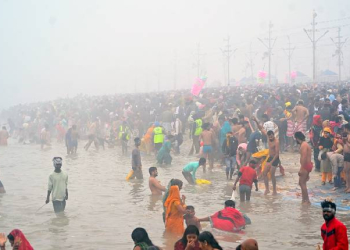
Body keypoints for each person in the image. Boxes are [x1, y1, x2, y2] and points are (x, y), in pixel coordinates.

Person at [252, 117, 279, 195]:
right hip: (270, 157)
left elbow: (277, 154)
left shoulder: (276, 142)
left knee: (272, 174)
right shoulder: (267, 137)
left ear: (274, 135)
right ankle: (267, 189)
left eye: (271, 136)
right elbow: (261, 128)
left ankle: (274, 190)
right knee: (264, 173)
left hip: (275, 158)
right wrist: (256, 121)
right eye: (269, 136)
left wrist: (271, 162)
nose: (270, 137)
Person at [294, 132, 313, 204]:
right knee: (302, 182)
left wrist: (301, 168)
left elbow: (304, 157)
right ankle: (304, 199)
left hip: (305, 165)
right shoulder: (305, 144)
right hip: (308, 165)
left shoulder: (304, 145)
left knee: (302, 183)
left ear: (297, 138)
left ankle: (306, 200)